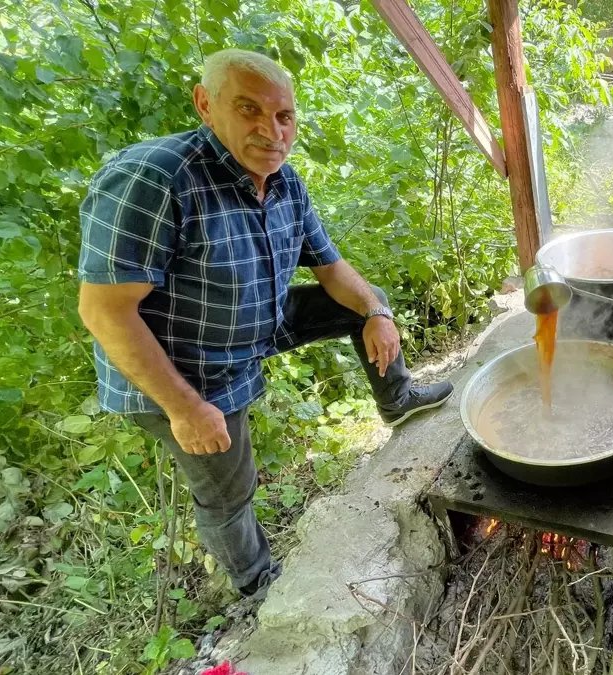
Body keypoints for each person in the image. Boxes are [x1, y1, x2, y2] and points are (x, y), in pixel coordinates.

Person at [77, 49, 453, 598]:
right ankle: (258, 585)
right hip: (187, 369)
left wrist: (375, 313)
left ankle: (397, 399)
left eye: (284, 116)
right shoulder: (154, 178)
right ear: (205, 105)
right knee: (229, 489)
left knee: (372, 301)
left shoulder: (284, 182)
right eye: (249, 108)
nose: (271, 130)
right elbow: (104, 312)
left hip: (257, 324)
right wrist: (186, 409)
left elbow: (331, 267)